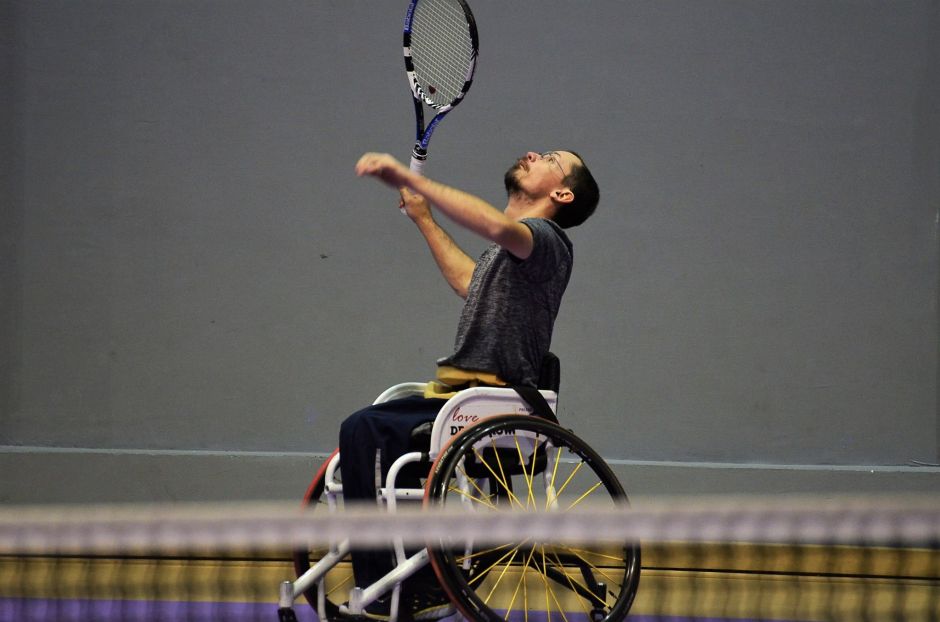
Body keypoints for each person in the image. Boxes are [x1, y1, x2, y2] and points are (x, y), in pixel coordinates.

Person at [339, 149, 599, 620]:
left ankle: (401, 585)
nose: (533, 153)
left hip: (494, 402)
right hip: (465, 400)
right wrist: (424, 218)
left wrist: (409, 179)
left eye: (550, 159)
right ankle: (404, 579)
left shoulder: (548, 240)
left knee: (366, 428)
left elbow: (495, 226)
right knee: (370, 431)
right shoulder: (510, 255)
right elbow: (468, 281)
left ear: (563, 193)